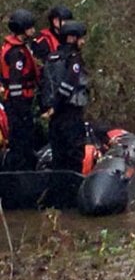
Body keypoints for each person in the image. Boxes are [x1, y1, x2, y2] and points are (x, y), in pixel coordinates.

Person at [40, 21, 90, 173]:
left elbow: (45, 85)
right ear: (71, 39)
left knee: (59, 155)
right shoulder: (74, 59)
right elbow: (68, 85)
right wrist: (56, 106)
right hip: (69, 113)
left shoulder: (51, 57)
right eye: (80, 38)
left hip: (54, 116)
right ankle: (72, 190)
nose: (83, 42)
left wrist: (49, 108)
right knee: (73, 153)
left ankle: (58, 190)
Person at [1, 9, 40, 171]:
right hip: (18, 104)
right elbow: (15, 83)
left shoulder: (17, 48)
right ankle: (19, 175)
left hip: (18, 102)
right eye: (30, 28)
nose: (33, 31)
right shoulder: (16, 53)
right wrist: (20, 109)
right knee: (21, 141)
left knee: (23, 141)